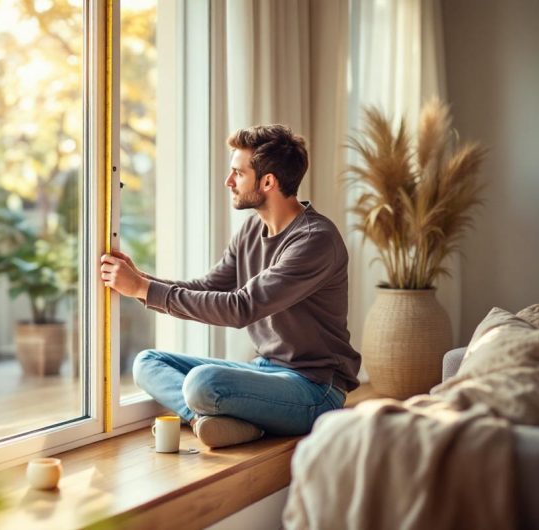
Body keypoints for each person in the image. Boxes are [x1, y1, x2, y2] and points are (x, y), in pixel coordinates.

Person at [100, 124, 361, 448]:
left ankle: (226, 419)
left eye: (238, 173)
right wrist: (143, 281)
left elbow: (241, 307)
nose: (228, 181)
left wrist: (142, 289)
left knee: (202, 383)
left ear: (268, 182)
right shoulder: (253, 229)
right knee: (147, 362)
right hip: (266, 369)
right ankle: (205, 421)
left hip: (315, 388)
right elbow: (209, 286)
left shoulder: (314, 240)